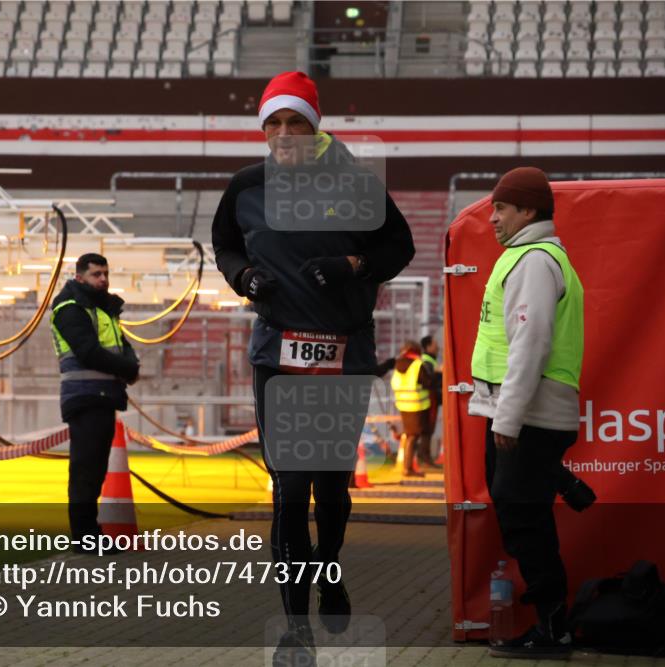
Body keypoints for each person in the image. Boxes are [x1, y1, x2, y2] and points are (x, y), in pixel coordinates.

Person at [212, 71, 415, 666]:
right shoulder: (246, 186)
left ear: (314, 125)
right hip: (278, 356)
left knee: (331, 489)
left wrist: (353, 263)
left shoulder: (355, 181)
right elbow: (225, 243)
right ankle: (294, 628)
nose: (281, 134)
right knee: (289, 489)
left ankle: (330, 570)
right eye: (271, 123)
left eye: (292, 122)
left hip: (342, 354)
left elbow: (396, 247)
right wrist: (243, 277)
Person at [467, 167, 595, 658]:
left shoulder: (534, 261)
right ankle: (558, 479)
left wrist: (507, 418)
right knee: (522, 512)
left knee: (525, 520)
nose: (492, 217)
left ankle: (553, 627)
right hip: (522, 413)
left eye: (501, 208)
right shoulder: (526, 257)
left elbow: (531, 345)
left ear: (528, 211)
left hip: (525, 415)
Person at [50, 253, 140, 553]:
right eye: (95, 275)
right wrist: (127, 369)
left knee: (95, 469)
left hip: (102, 395)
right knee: (86, 470)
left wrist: (129, 365)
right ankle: (84, 537)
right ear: (80, 277)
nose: (102, 279)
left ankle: (90, 534)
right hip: (84, 395)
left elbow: (121, 347)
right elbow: (88, 351)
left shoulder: (102, 309)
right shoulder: (70, 308)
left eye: (105, 273)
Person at [390, 341, 434, 477]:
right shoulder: (417, 365)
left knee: (410, 435)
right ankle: (407, 468)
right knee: (413, 436)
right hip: (416, 406)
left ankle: (408, 467)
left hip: (403, 405)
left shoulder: (398, 364)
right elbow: (427, 382)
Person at [419, 335, 443, 468]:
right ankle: (425, 457)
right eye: (435, 344)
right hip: (429, 398)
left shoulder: (429, 361)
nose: (438, 346)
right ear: (428, 347)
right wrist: (439, 372)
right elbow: (429, 381)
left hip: (430, 398)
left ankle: (424, 456)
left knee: (427, 429)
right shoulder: (427, 362)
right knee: (428, 428)